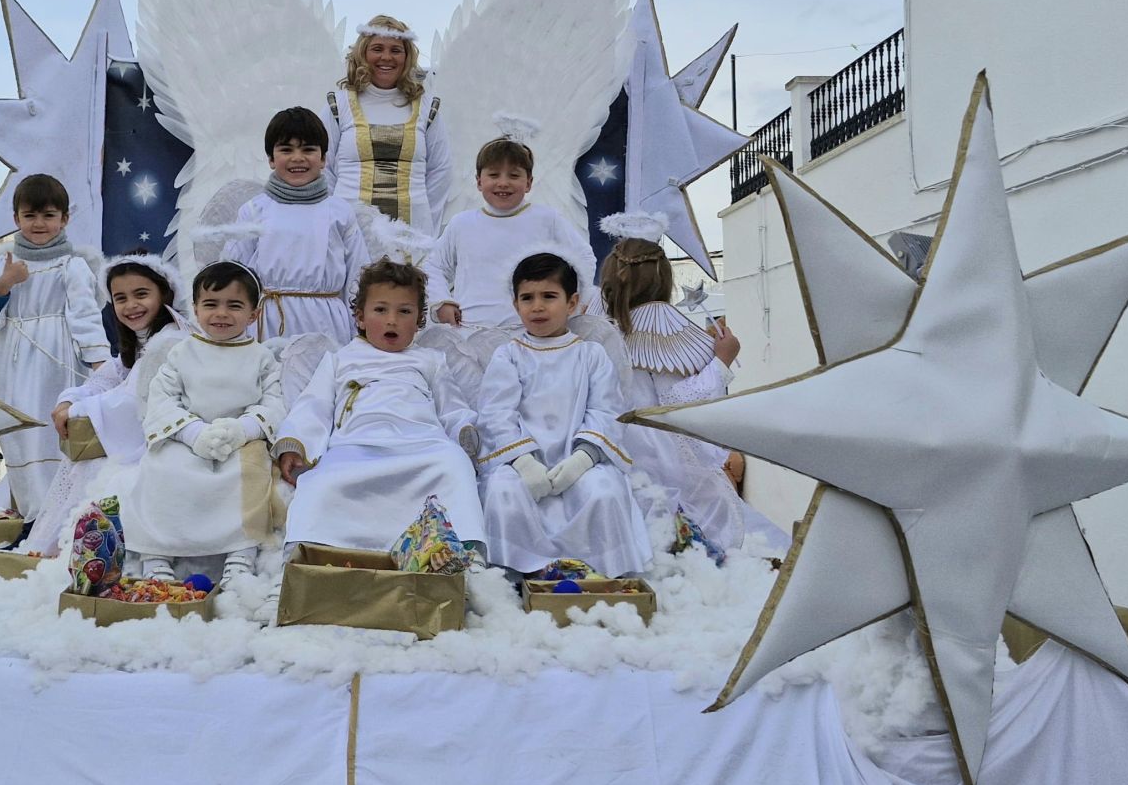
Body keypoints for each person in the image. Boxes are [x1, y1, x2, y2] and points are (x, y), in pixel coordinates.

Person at [598, 225, 789, 553]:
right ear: (663, 278)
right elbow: (677, 401)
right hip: (661, 453)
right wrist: (721, 363)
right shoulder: (662, 322)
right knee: (705, 530)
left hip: (618, 449)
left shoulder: (605, 329)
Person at [276, 258, 487, 553]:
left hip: (422, 447)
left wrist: (464, 431)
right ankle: (308, 553)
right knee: (321, 485)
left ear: (418, 321)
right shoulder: (339, 360)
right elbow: (314, 406)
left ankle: (465, 552)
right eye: (380, 310)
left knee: (454, 467)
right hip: (355, 448)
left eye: (404, 312)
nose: (392, 320)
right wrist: (295, 443)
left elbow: (451, 406)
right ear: (360, 318)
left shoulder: (430, 360)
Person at [475, 253, 652, 578]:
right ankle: (516, 573)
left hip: (580, 460)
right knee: (504, 493)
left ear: (572, 303)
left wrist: (582, 460)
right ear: (515, 305)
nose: (537, 306)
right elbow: (496, 413)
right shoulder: (509, 355)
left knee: (603, 492)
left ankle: (602, 572)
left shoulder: (591, 355)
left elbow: (605, 410)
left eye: (549, 297)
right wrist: (524, 462)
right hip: (523, 462)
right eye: (527, 298)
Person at [123, 261, 283, 588]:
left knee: (253, 473)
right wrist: (194, 433)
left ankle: (240, 556)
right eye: (210, 304)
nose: (221, 313)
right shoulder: (181, 353)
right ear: (195, 309)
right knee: (161, 469)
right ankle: (157, 556)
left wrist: (244, 430)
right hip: (189, 438)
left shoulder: (262, 357)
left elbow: (275, 402)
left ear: (253, 313)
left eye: (234, 305)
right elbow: (162, 398)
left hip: (241, 441)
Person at [24, 251, 188, 557]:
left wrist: (76, 412)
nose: (131, 305)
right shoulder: (142, 340)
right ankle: (59, 548)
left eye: (141, 294)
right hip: (141, 440)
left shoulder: (170, 341)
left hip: (165, 443)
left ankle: (77, 553)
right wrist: (70, 400)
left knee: (93, 465)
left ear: (164, 294)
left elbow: (131, 402)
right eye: (121, 298)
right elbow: (106, 379)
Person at [0, 175, 109, 523]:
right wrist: (4, 285)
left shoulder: (72, 265)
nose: (39, 224)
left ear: (64, 219)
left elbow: (86, 315)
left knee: (53, 435)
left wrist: (101, 366)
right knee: (20, 436)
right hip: (12, 361)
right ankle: (30, 515)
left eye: (48, 215)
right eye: (30, 216)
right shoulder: (4, 262)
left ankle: (56, 519)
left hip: (56, 361)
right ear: (16, 219)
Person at [426, 120, 598, 330]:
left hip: (528, 332)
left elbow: (583, 258)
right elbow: (434, 266)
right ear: (479, 181)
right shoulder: (461, 223)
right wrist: (442, 301)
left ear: (528, 182)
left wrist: (573, 305)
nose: (503, 183)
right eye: (494, 175)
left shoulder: (546, 219)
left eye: (514, 175)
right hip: (471, 330)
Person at [221, 106, 372, 344]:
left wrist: (361, 334)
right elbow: (233, 275)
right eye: (286, 149)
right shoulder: (253, 211)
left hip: (326, 322)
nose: (297, 158)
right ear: (271, 159)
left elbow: (359, 278)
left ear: (323, 159)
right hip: (268, 320)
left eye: (308, 149)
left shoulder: (340, 212)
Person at [324, 16, 451, 230]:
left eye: (395, 50)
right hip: (350, 230)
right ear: (363, 52)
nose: (386, 57)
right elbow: (323, 167)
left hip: (412, 231)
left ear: (407, 56)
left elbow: (440, 170)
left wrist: (425, 225)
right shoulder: (339, 104)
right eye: (377, 48)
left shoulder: (427, 107)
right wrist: (332, 219)